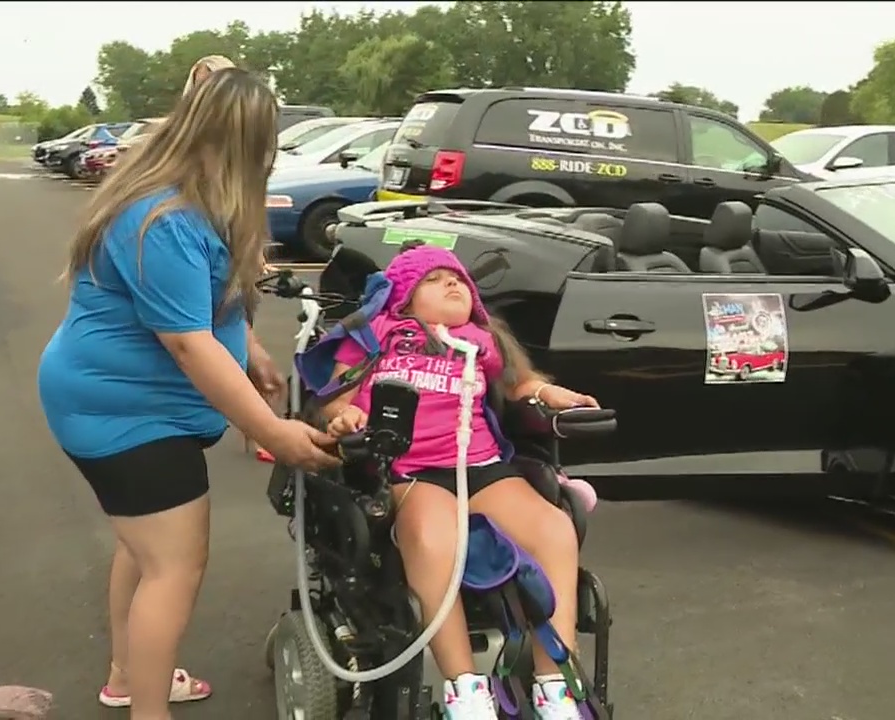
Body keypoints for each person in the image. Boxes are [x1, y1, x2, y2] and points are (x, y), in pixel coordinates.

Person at [38, 67, 339, 720]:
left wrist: (253, 349)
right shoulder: (164, 215)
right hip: (122, 414)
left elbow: (207, 313)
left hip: (126, 404)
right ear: (244, 142)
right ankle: (149, 710)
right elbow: (188, 343)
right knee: (174, 566)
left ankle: (127, 674)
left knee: (144, 550)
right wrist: (272, 431)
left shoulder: (193, 198)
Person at [318, 244, 598, 720]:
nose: (453, 284)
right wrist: (345, 417)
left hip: (482, 466)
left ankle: (556, 686)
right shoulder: (375, 334)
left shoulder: (482, 340)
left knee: (554, 528)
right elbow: (335, 397)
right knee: (432, 537)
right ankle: (465, 689)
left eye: (459, 280)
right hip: (411, 470)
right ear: (403, 298)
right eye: (435, 279)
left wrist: (551, 393)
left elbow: (519, 385)